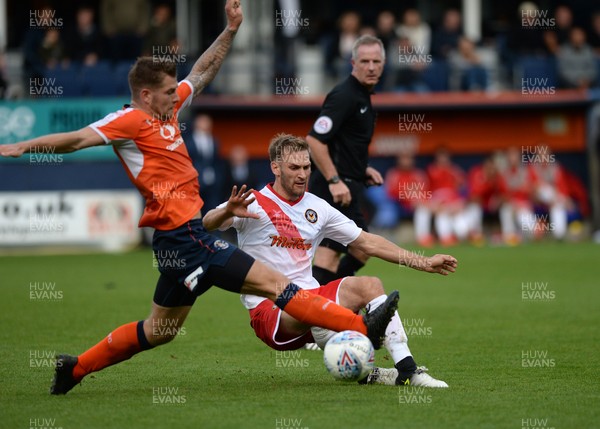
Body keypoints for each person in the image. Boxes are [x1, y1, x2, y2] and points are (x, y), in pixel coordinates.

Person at [0, 0, 398, 395]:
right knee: (279, 285)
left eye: (176, 90)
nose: (178, 96)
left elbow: (203, 71)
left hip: (178, 242)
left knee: (159, 331)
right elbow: (75, 140)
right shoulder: (129, 121)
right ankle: (364, 328)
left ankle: (74, 369)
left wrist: (230, 30)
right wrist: (23, 147)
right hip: (189, 239)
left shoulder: (167, 112)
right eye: (170, 92)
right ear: (145, 95)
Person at [203, 133, 458, 387]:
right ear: (275, 168)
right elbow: (208, 222)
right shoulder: (253, 203)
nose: (302, 174)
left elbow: (367, 242)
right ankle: (359, 327)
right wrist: (225, 211)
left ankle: (406, 371)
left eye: (306, 167)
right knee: (308, 304)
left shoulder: (318, 207)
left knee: (370, 285)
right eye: (294, 168)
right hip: (270, 311)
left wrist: (423, 262)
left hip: (314, 299)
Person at [306, 35, 385, 286]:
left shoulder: (363, 96)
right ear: (353, 62)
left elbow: (344, 143)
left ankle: (327, 304)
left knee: (360, 250)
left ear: (383, 64)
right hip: (334, 189)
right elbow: (315, 140)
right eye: (365, 61)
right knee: (333, 255)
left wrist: (363, 170)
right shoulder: (345, 95)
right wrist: (334, 180)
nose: (371, 66)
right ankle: (316, 312)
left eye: (376, 61)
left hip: (348, 184)